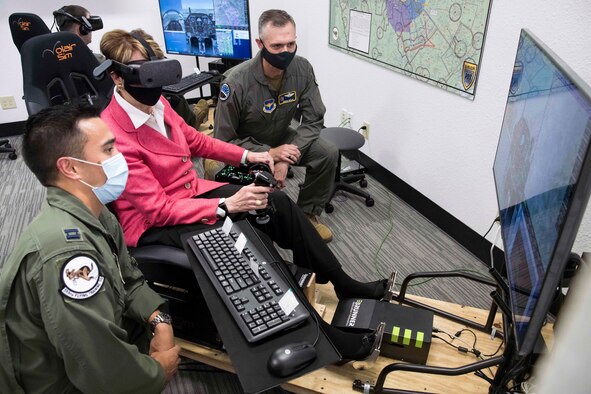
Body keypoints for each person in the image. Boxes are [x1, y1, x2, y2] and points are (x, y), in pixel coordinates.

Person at [99, 28, 388, 301]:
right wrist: (226, 205)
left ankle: (337, 280)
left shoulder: (156, 105)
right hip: (154, 223)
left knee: (274, 202)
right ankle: (287, 296)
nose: (155, 84)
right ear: (117, 77)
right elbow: (157, 210)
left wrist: (252, 157)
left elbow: (199, 142)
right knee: (246, 229)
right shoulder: (113, 135)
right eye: (145, 74)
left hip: (188, 194)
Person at [0, 105, 180, 393]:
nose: (119, 158)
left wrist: (159, 319)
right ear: (70, 167)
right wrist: (158, 371)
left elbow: (128, 278)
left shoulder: (96, 212)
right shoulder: (66, 256)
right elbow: (102, 370)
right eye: (108, 150)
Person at [214, 9, 337, 243]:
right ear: (260, 43)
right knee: (257, 214)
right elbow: (223, 141)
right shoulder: (236, 82)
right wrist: (269, 154)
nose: (286, 52)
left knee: (327, 153)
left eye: (291, 44)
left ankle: (306, 214)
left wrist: (283, 158)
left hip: (283, 137)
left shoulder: (302, 69)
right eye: (278, 46)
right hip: (247, 146)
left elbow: (313, 119)